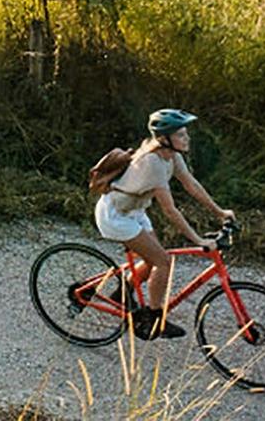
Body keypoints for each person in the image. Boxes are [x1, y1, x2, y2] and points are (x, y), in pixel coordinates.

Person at [93, 108, 234, 340]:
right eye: (181, 135)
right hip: (115, 215)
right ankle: (154, 316)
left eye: (186, 134)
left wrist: (220, 212)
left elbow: (192, 185)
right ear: (165, 138)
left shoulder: (172, 156)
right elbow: (170, 210)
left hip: (135, 211)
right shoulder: (153, 163)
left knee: (152, 260)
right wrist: (198, 240)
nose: (187, 139)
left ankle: (122, 292)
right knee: (164, 261)